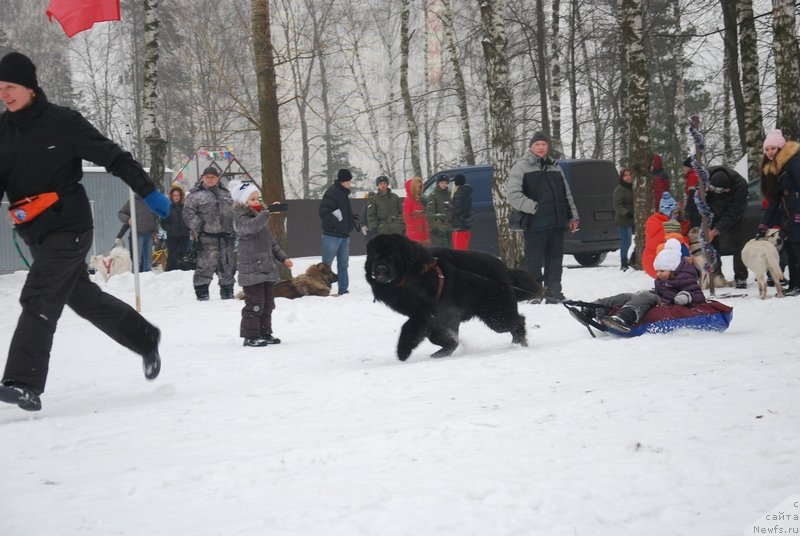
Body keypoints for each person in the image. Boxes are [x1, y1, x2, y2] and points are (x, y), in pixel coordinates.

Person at [0, 51, 169, 411]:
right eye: (0, 88)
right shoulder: (3, 131)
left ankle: (23, 382)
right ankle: (145, 338)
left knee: (39, 296)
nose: (4, 94)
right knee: (83, 298)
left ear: (30, 87)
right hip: (36, 233)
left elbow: (114, 157)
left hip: (70, 227)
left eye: (10, 86)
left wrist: (148, 191)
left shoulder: (63, 122)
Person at [507, 131, 580, 303]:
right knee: (533, 260)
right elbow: (513, 195)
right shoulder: (521, 167)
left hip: (556, 222)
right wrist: (534, 207)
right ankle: (533, 293)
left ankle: (553, 292)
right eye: (537, 144)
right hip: (535, 224)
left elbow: (566, 194)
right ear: (531, 147)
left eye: (544, 144)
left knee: (555, 259)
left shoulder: (555, 166)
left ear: (548, 146)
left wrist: (573, 217)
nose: (541, 147)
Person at [575, 238, 705, 333]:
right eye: (657, 271)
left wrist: (686, 296)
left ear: (673, 269)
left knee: (647, 296)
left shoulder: (685, 277)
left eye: (662, 271)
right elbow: (659, 291)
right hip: (659, 298)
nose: (658, 274)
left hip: (668, 302)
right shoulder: (664, 278)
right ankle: (593, 309)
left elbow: (698, 295)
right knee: (628, 296)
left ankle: (625, 318)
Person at [231, 182, 293, 347]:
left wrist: (283, 258)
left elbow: (271, 243)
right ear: (243, 201)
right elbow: (251, 227)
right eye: (252, 199)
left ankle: (265, 332)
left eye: (258, 198)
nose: (256, 201)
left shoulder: (260, 217)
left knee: (268, 304)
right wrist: (267, 212)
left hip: (265, 269)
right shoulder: (240, 218)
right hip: (251, 270)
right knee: (255, 304)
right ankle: (251, 336)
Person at [183, 166, 236, 301]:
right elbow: (188, 213)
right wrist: (199, 227)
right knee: (205, 267)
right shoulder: (195, 195)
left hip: (226, 238)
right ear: (203, 178)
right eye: (207, 177)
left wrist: (235, 228)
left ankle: (228, 294)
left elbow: (235, 211)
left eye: (213, 177)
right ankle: (202, 295)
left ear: (217, 178)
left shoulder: (227, 194)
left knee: (227, 267)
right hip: (207, 237)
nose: (210, 179)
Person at [760, 128, 800, 296]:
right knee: (790, 248)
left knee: (797, 248)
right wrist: (764, 225)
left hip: (796, 211)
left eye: (773, 148)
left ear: (781, 148)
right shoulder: (776, 168)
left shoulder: (793, 162)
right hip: (788, 213)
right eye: (767, 149)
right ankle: (794, 285)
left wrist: (797, 214)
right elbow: (775, 200)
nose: (770, 152)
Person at [705, 166, 749, 288]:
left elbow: (734, 212)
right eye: (713, 190)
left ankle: (741, 276)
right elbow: (698, 199)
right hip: (712, 211)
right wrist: (707, 223)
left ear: (728, 189)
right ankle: (716, 275)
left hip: (734, 214)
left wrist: (716, 230)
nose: (716, 192)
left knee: (737, 242)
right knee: (713, 245)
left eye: (719, 191)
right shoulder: (704, 177)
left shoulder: (740, 185)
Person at [319, 168, 357, 295]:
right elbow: (323, 211)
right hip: (332, 235)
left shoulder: (343, 193)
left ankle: (343, 289)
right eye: (349, 181)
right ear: (343, 181)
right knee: (326, 266)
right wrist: (337, 223)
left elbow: (343, 213)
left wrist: (350, 221)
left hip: (344, 235)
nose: (350, 183)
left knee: (343, 265)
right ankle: (322, 289)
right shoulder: (332, 192)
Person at [642, 191, 689, 278]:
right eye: (675, 213)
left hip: (652, 261)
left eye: (678, 213)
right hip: (658, 263)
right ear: (668, 213)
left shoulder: (656, 221)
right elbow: (678, 241)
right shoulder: (664, 226)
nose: (677, 215)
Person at [118, 193, 159, 272]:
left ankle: (147, 276)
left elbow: (155, 218)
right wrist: (128, 219)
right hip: (137, 234)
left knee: (148, 260)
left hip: (149, 234)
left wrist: (155, 231)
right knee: (137, 260)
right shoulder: (132, 201)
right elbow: (120, 213)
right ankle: (135, 276)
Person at [162, 185, 191, 271]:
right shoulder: (167, 207)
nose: (176, 197)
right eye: (174, 195)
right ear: (171, 196)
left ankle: (182, 273)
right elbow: (163, 222)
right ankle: (170, 273)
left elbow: (189, 219)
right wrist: (169, 228)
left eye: (178, 195)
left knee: (182, 254)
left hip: (184, 235)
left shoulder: (185, 207)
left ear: (181, 196)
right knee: (172, 256)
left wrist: (188, 228)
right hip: (172, 236)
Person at [613, 168, 634, 270]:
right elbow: (617, 205)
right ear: (622, 178)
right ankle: (624, 262)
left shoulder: (634, 188)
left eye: (629, 174)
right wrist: (626, 213)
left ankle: (633, 259)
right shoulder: (620, 189)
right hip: (624, 220)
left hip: (634, 218)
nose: (628, 177)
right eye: (625, 175)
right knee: (626, 242)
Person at [450, 173, 475, 250]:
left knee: (458, 250)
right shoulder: (467, 193)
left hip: (459, 226)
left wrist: (449, 207)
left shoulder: (459, 193)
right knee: (464, 249)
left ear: (457, 182)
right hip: (466, 225)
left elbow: (457, 211)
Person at [426, 174, 452, 247]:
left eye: (446, 183)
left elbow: (453, 210)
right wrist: (436, 226)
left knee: (451, 248)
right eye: (442, 183)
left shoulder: (450, 194)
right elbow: (430, 213)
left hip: (450, 227)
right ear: (438, 183)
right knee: (441, 248)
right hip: (439, 228)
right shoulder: (433, 195)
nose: (444, 184)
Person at [402, 176, 430, 245]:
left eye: (420, 187)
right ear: (412, 188)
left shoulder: (419, 199)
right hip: (414, 235)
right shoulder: (408, 200)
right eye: (417, 187)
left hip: (423, 234)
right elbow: (407, 218)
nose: (419, 189)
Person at [683, 156, 701, 227]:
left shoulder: (693, 176)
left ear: (689, 167)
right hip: (696, 207)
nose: (683, 170)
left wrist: (688, 209)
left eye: (684, 167)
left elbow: (692, 194)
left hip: (695, 209)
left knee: (695, 227)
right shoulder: (694, 175)